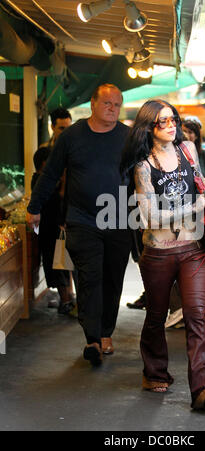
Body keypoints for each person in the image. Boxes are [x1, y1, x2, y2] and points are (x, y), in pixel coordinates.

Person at [120, 99, 205, 410]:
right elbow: (150, 217)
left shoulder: (188, 151)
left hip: (193, 250)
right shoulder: (143, 167)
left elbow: (199, 182)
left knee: (196, 315)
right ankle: (154, 371)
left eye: (173, 119)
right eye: (162, 121)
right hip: (158, 253)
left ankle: (204, 386)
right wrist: (195, 207)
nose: (171, 125)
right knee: (156, 315)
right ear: (148, 127)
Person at [26, 84, 132, 365]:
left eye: (117, 105)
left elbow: (141, 175)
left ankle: (106, 331)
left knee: (112, 277)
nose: (113, 109)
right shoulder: (72, 136)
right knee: (89, 277)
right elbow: (50, 174)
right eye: (108, 103)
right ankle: (93, 339)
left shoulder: (127, 136)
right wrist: (34, 207)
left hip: (119, 219)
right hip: (82, 219)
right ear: (93, 104)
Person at [31, 147, 75, 313]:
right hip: (50, 229)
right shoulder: (39, 180)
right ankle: (65, 300)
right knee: (57, 265)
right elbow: (58, 198)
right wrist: (63, 182)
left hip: (56, 228)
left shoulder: (47, 179)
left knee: (62, 263)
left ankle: (68, 298)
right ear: (44, 163)